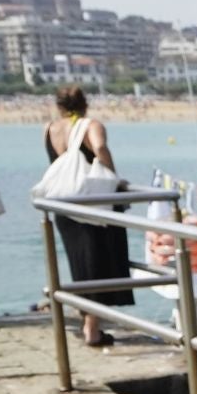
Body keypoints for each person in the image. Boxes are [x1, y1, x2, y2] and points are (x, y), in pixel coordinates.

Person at [42, 86, 132, 348]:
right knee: (99, 263)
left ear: (58, 105)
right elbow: (100, 148)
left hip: (65, 203)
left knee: (80, 264)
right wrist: (114, 180)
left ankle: (87, 320)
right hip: (93, 203)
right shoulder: (89, 125)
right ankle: (92, 327)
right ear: (85, 104)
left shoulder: (49, 129)